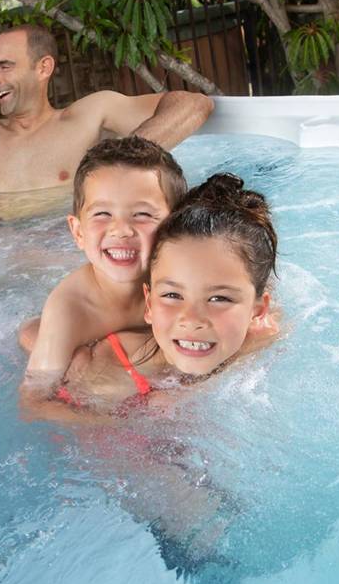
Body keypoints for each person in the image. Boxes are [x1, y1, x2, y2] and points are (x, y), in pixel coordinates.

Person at [22, 172, 279, 416]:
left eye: (219, 299)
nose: (191, 319)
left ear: (258, 310)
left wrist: (187, 393)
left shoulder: (262, 333)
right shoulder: (106, 376)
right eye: (172, 295)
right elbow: (38, 411)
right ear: (149, 304)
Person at [0, 24, 213, 217]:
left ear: (44, 68)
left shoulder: (89, 115)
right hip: (0, 268)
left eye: (5, 67)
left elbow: (194, 104)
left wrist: (122, 160)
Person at [21, 136, 188, 389]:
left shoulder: (188, 275)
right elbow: (35, 401)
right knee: (44, 342)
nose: (121, 230)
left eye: (142, 214)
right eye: (102, 214)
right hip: (65, 330)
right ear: (78, 232)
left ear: (176, 226)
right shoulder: (70, 309)